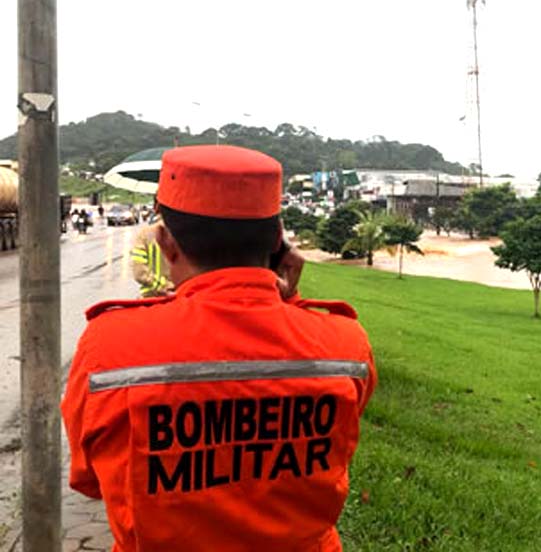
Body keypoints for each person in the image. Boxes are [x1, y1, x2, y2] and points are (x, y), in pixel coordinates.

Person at [62, 145, 377, 551]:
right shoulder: (345, 345)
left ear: (166, 242)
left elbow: (90, 479)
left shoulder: (109, 347)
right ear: (278, 242)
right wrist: (290, 302)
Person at [131, 220, 175, 298]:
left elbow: (139, 273)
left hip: (152, 296)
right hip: (183, 295)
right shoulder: (188, 233)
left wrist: (162, 286)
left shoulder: (145, 234)